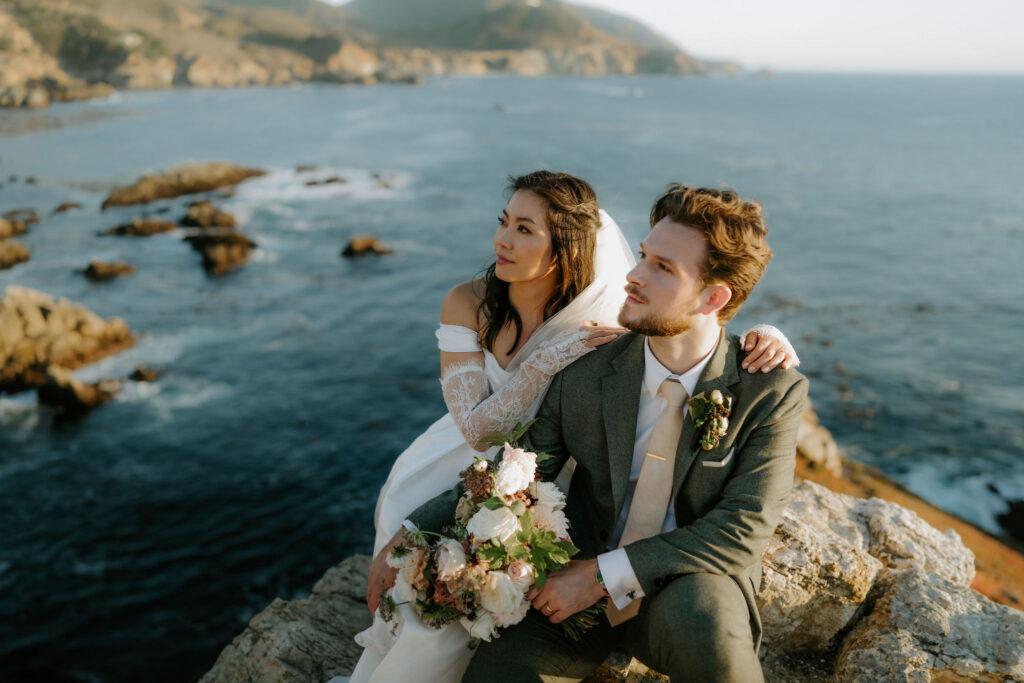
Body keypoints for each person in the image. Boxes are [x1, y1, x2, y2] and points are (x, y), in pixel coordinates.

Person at [352, 175, 798, 683]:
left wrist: (603, 576)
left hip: (686, 587)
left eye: (661, 267)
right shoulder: (586, 367)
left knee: (716, 644)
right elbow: (517, 470)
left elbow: (743, 528)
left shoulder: (769, 390)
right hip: (567, 584)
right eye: (643, 255)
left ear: (713, 299)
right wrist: (414, 532)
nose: (633, 275)